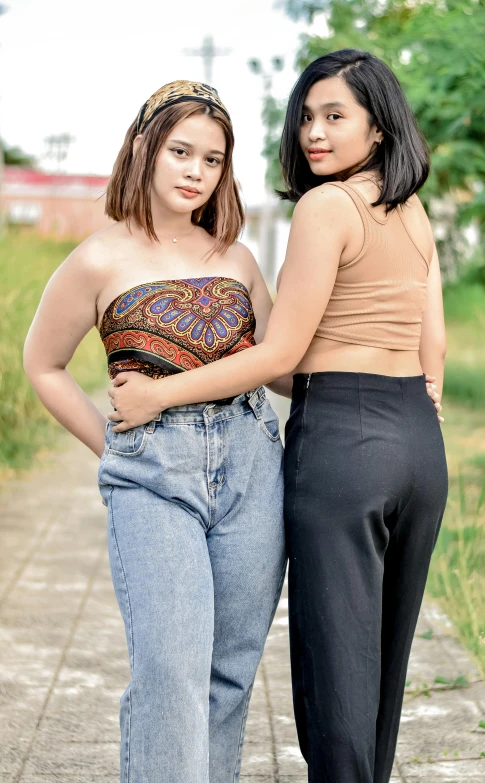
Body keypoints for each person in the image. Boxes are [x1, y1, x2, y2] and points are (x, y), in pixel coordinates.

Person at [107, 50, 448, 783]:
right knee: (384, 669)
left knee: (335, 683)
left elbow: (280, 353)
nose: (313, 133)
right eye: (307, 115)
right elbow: (434, 348)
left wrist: (160, 393)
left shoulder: (327, 206)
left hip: (346, 442)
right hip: (419, 442)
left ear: (379, 128)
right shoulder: (411, 209)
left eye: (335, 116)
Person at [23, 80, 287, 783]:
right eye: (180, 151)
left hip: (253, 464)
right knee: (170, 671)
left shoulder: (235, 257)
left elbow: (282, 367)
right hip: (154, 480)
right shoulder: (98, 258)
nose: (196, 170)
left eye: (213, 159)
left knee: (228, 673)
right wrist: (114, 446)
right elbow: (42, 364)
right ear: (144, 147)